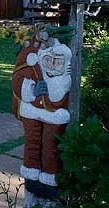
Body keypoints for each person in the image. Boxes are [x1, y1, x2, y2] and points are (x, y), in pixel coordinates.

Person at [12, 25, 72, 188]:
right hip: (30, 111)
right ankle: (31, 171)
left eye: (57, 63)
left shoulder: (62, 79)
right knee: (31, 142)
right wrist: (32, 89)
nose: (51, 65)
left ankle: (50, 175)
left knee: (51, 145)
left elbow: (59, 96)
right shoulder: (31, 64)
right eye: (48, 61)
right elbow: (17, 78)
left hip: (53, 116)